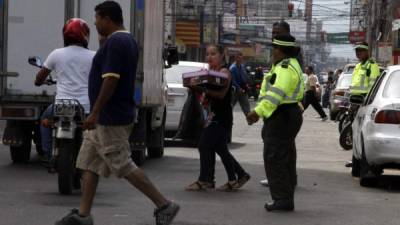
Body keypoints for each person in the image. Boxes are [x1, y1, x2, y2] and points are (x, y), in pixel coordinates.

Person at [55, 2, 179, 225]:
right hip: (104, 117)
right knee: (89, 163)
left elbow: (111, 79)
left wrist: (95, 112)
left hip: (111, 117)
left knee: (122, 164)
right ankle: (84, 215)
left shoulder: (118, 42)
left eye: (98, 18)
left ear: (108, 19)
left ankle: (164, 204)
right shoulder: (120, 40)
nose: (95, 23)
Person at [247, 34, 303, 212]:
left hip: (282, 116)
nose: (272, 52)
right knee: (283, 157)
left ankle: (282, 199)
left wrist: (257, 112)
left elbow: (275, 96)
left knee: (274, 158)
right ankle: (285, 196)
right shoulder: (289, 65)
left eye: (274, 49)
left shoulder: (284, 69)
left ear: (281, 50)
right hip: (287, 115)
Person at [185, 44, 250, 192]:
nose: (209, 57)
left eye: (213, 54)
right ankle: (240, 175)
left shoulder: (224, 72)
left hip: (221, 117)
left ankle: (205, 180)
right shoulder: (210, 73)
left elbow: (220, 95)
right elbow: (206, 97)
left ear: (222, 55)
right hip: (213, 115)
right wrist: (194, 87)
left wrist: (200, 88)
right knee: (221, 149)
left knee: (204, 144)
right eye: (207, 54)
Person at [35, 18, 95, 167]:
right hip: (85, 107)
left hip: (61, 105)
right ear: (85, 36)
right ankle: (89, 160)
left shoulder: (56, 54)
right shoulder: (94, 56)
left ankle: (49, 155)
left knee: (45, 121)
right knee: (92, 130)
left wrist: (41, 81)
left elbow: (39, 78)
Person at [259, 20, 303, 187]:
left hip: (283, 109)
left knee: (276, 149)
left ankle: (280, 183)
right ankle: (288, 180)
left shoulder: (288, 57)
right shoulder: (280, 54)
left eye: (277, 33)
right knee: (285, 147)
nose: (273, 36)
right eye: (273, 33)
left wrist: (259, 111)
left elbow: (281, 88)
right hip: (281, 110)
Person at [345, 42, 380, 168]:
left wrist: (368, 103)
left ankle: (359, 162)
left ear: (367, 51)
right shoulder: (358, 66)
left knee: (361, 133)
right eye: (357, 51)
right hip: (354, 102)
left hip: (364, 104)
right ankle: (355, 158)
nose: (358, 53)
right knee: (355, 131)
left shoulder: (372, 66)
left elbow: (372, 87)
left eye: (361, 50)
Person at [230, 52, 251, 116]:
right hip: (235, 91)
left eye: (241, 58)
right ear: (235, 58)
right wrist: (238, 88)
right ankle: (227, 118)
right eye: (238, 58)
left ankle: (249, 118)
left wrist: (247, 85)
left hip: (243, 89)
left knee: (246, 105)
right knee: (230, 105)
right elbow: (233, 80)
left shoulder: (242, 66)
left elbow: (244, 76)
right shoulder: (232, 68)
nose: (240, 59)